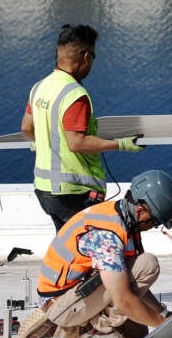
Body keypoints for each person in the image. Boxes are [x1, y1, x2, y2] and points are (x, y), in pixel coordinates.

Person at [16, 169, 172, 338]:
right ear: (141, 210)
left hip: (72, 293)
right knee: (147, 265)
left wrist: (163, 314)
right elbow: (123, 299)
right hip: (62, 302)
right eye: (155, 222)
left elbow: (132, 279)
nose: (153, 227)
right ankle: (97, 334)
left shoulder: (123, 217)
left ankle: (65, 326)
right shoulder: (107, 238)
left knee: (138, 330)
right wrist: (163, 325)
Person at [21, 24, 143, 231]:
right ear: (86, 57)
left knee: (68, 245)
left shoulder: (40, 87)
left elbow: (26, 127)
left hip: (45, 189)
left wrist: (42, 144)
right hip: (73, 192)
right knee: (88, 247)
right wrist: (120, 144)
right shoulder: (75, 95)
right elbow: (76, 142)